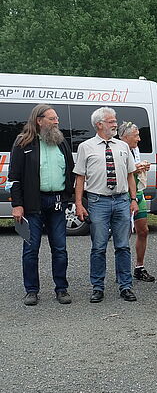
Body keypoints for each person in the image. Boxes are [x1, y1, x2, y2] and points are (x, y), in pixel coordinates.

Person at [9, 104, 75, 305]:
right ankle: (31, 290)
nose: (57, 122)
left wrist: (67, 198)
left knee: (60, 248)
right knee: (31, 249)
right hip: (32, 205)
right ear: (39, 120)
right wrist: (17, 204)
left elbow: (70, 170)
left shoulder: (61, 142)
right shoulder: (23, 143)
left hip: (56, 203)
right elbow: (14, 178)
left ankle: (61, 289)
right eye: (52, 119)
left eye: (57, 119)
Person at [74, 107, 139, 303]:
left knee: (123, 246)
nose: (115, 124)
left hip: (121, 200)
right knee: (99, 246)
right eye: (111, 121)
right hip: (97, 201)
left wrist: (134, 199)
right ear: (99, 124)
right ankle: (97, 287)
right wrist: (79, 203)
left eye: (115, 120)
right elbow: (80, 177)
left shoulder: (122, 146)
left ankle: (125, 286)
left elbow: (130, 175)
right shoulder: (86, 147)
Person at [118, 122, 155, 283]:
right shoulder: (117, 148)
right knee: (123, 234)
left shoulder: (135, 149)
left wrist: (141, 167)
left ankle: (139, 267)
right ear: (125, 137)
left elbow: (134, 169)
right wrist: (136, 168)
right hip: (122, 195)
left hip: (138, 193)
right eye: (136, 136)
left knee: (143, 230)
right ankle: (122, 270)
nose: (139, 139)